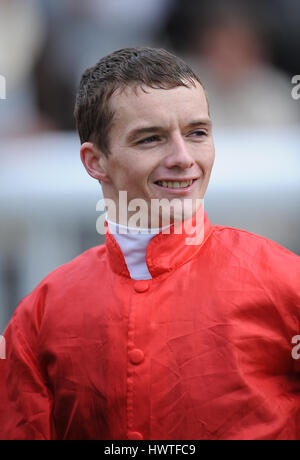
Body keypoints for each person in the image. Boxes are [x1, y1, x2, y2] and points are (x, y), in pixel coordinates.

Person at [0, 47, 299, 441]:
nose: (183, 157)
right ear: (95, 162)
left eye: (197, 133)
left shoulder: (285, 281)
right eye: (151, 139)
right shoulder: (41, 313)